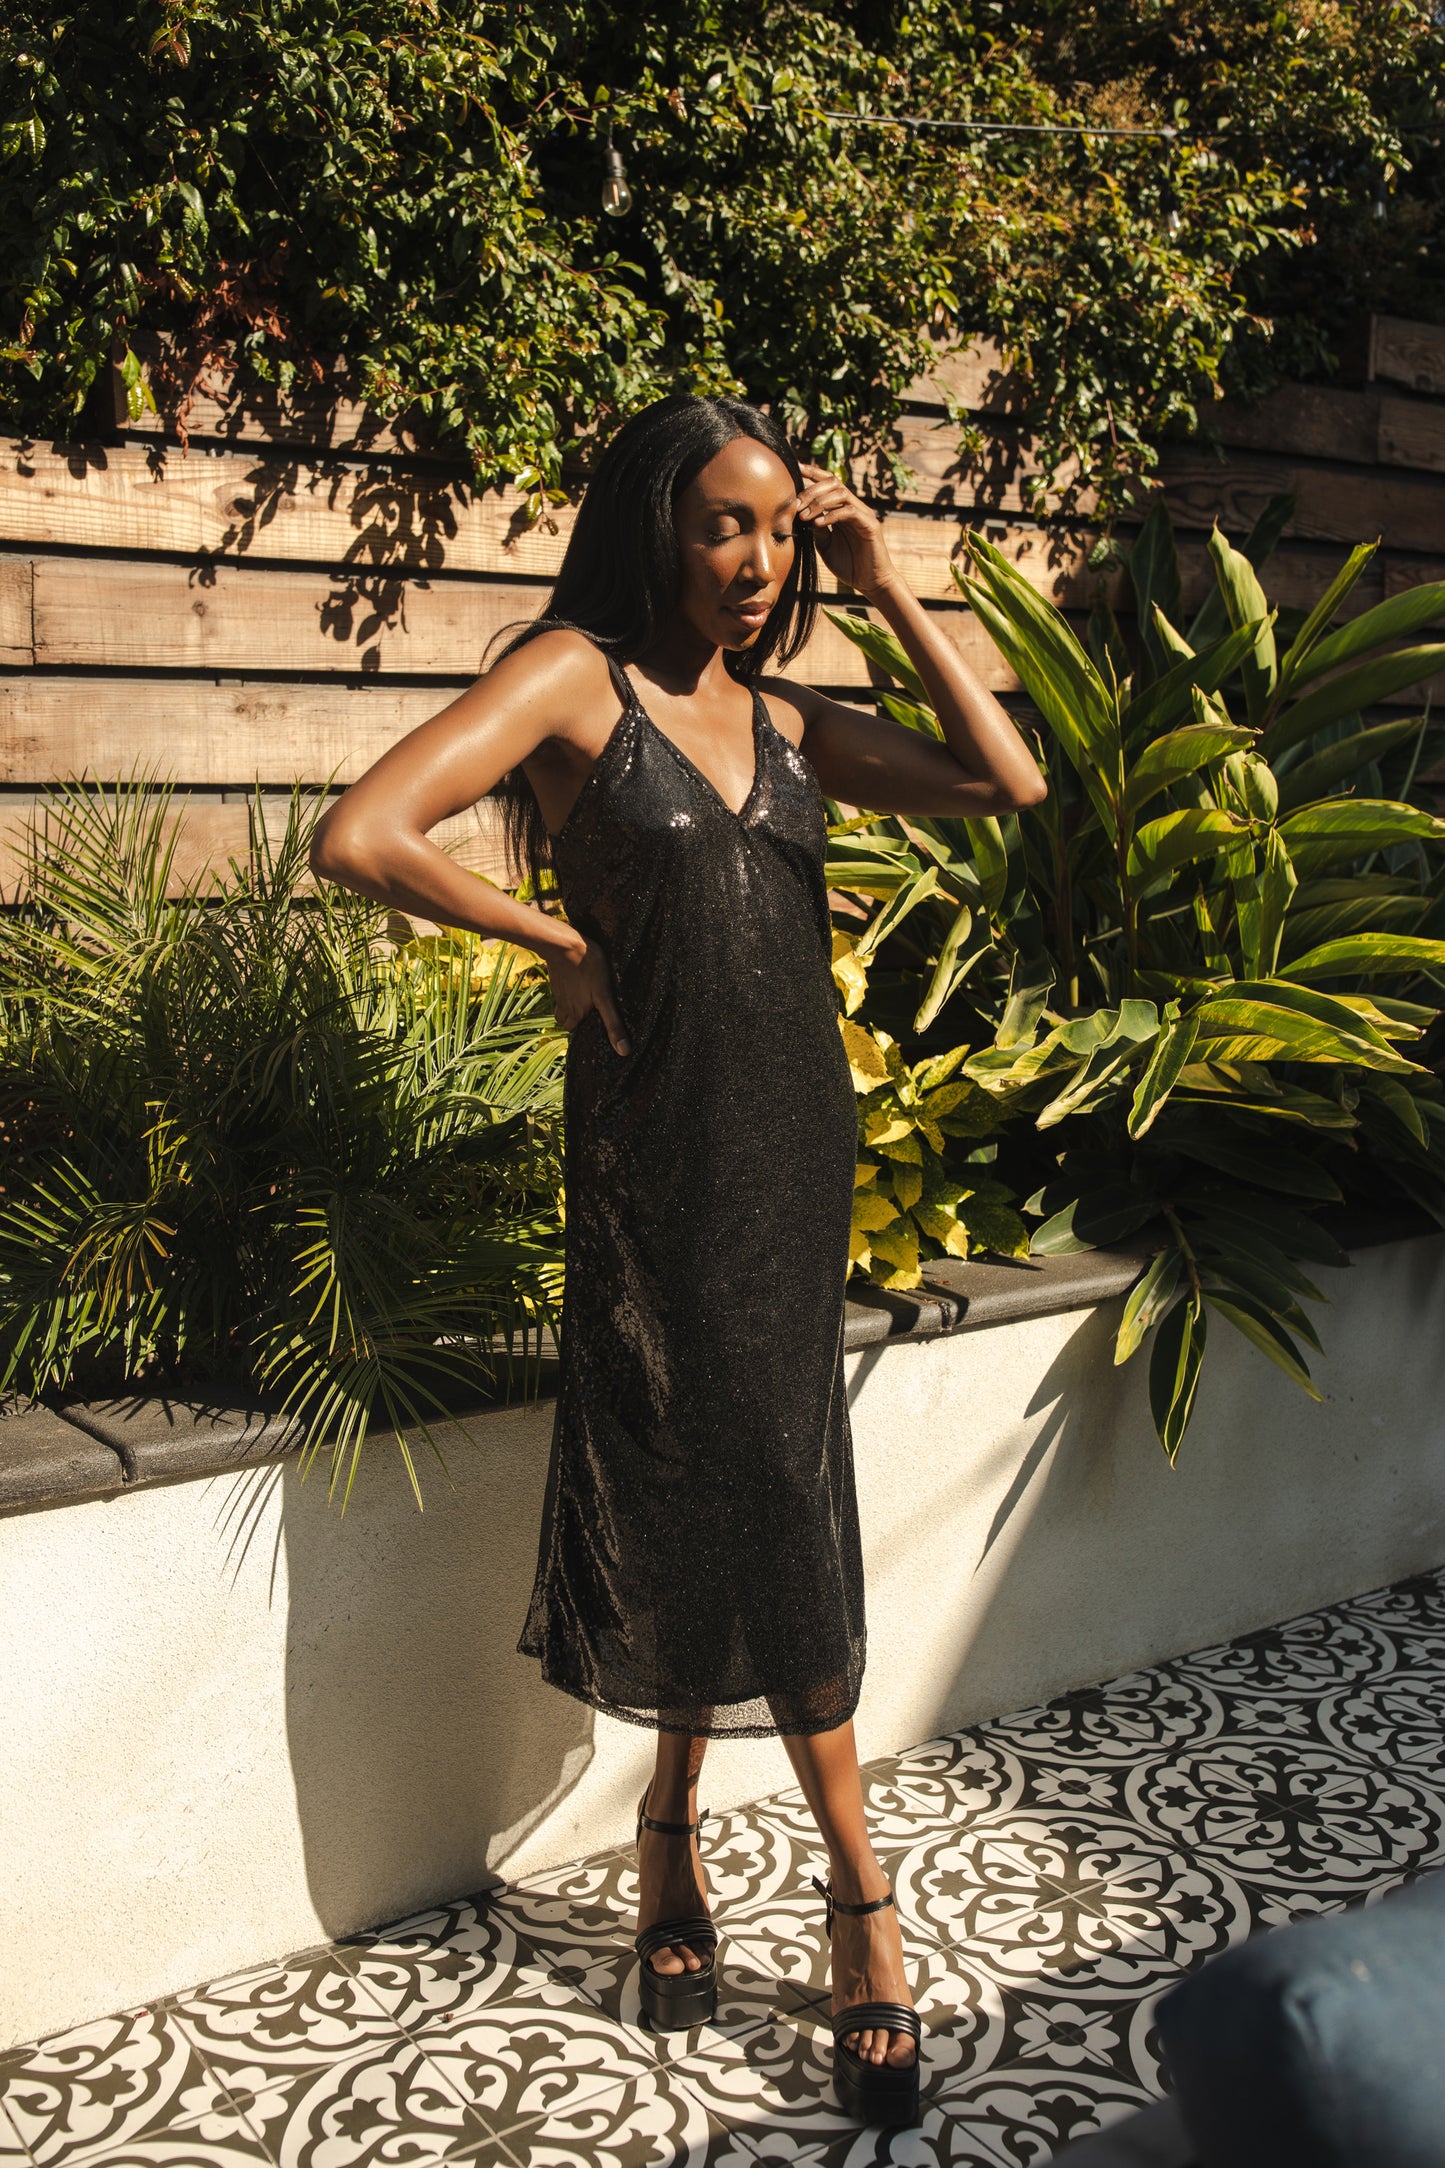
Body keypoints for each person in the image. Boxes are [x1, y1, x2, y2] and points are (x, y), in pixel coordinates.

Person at [310, 392, 1045, 2126]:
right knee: (724, 1491)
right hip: (656, 1160)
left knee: (758, 1486)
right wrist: (553, 928)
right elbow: (365, 834)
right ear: (654, 523)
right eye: (727, 524)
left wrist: (889, 584)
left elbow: (1004, 783)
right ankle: (858, 1911)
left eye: (782, 529)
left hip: (794, 1156)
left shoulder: (791, 713)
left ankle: (676, 1845)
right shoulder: (576, 680)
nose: (757, 558)